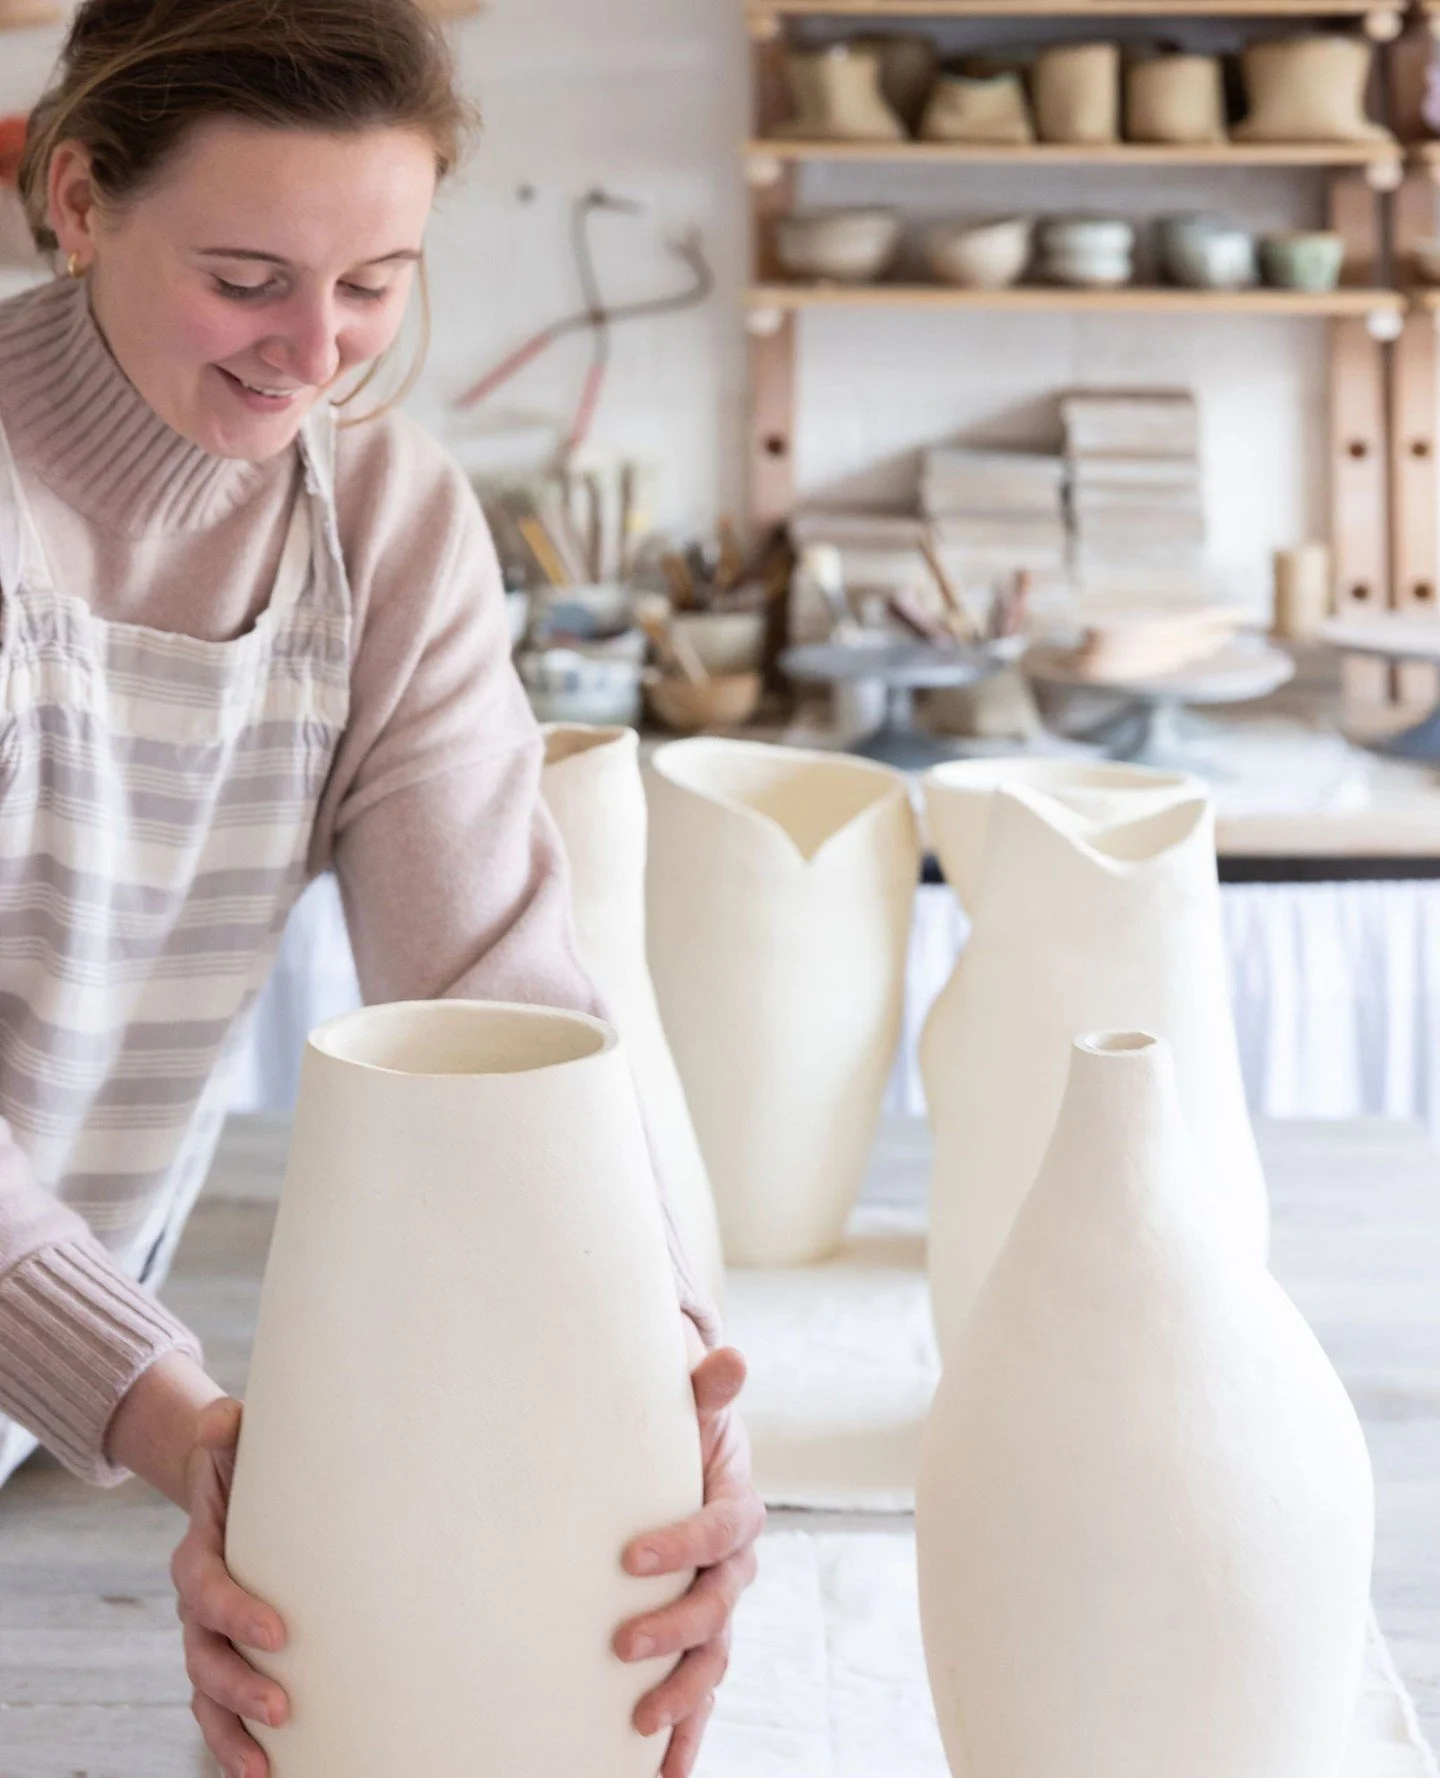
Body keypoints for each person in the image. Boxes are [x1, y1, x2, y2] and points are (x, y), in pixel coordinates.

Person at [0, 3, 763, 1775]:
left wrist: (659, 1380)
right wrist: (188, 1426)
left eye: (373, 285)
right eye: (251, 275)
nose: (312, 354)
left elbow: (512, 1002)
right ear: (81, 197)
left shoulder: (390, 528)